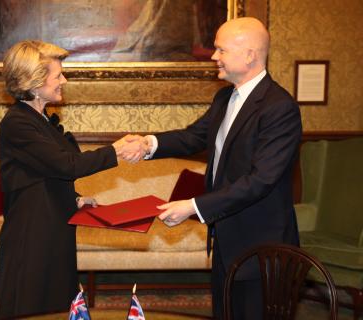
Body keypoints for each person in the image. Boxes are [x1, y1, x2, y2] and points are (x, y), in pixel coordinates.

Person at [123, 17, 302, 319]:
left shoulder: (279, 107)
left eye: (221, 50)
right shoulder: (224, 97)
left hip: (261, 245)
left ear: (249, 55)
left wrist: (193, 206)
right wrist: (147, 143)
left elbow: (260, 180)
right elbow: (194, 136)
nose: (213, 57)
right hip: (226, 239)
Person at [0, 40, 142, 319]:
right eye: (58, 75)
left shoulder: (40, 120)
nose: (64, 80)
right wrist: (117, 150)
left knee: (57, 305)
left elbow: (40, 175)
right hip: (33, 234)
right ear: (35, 81)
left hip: (53, 227)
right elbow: (66, 165)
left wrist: (75, 199)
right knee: (33, 307)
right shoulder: (17, 123)